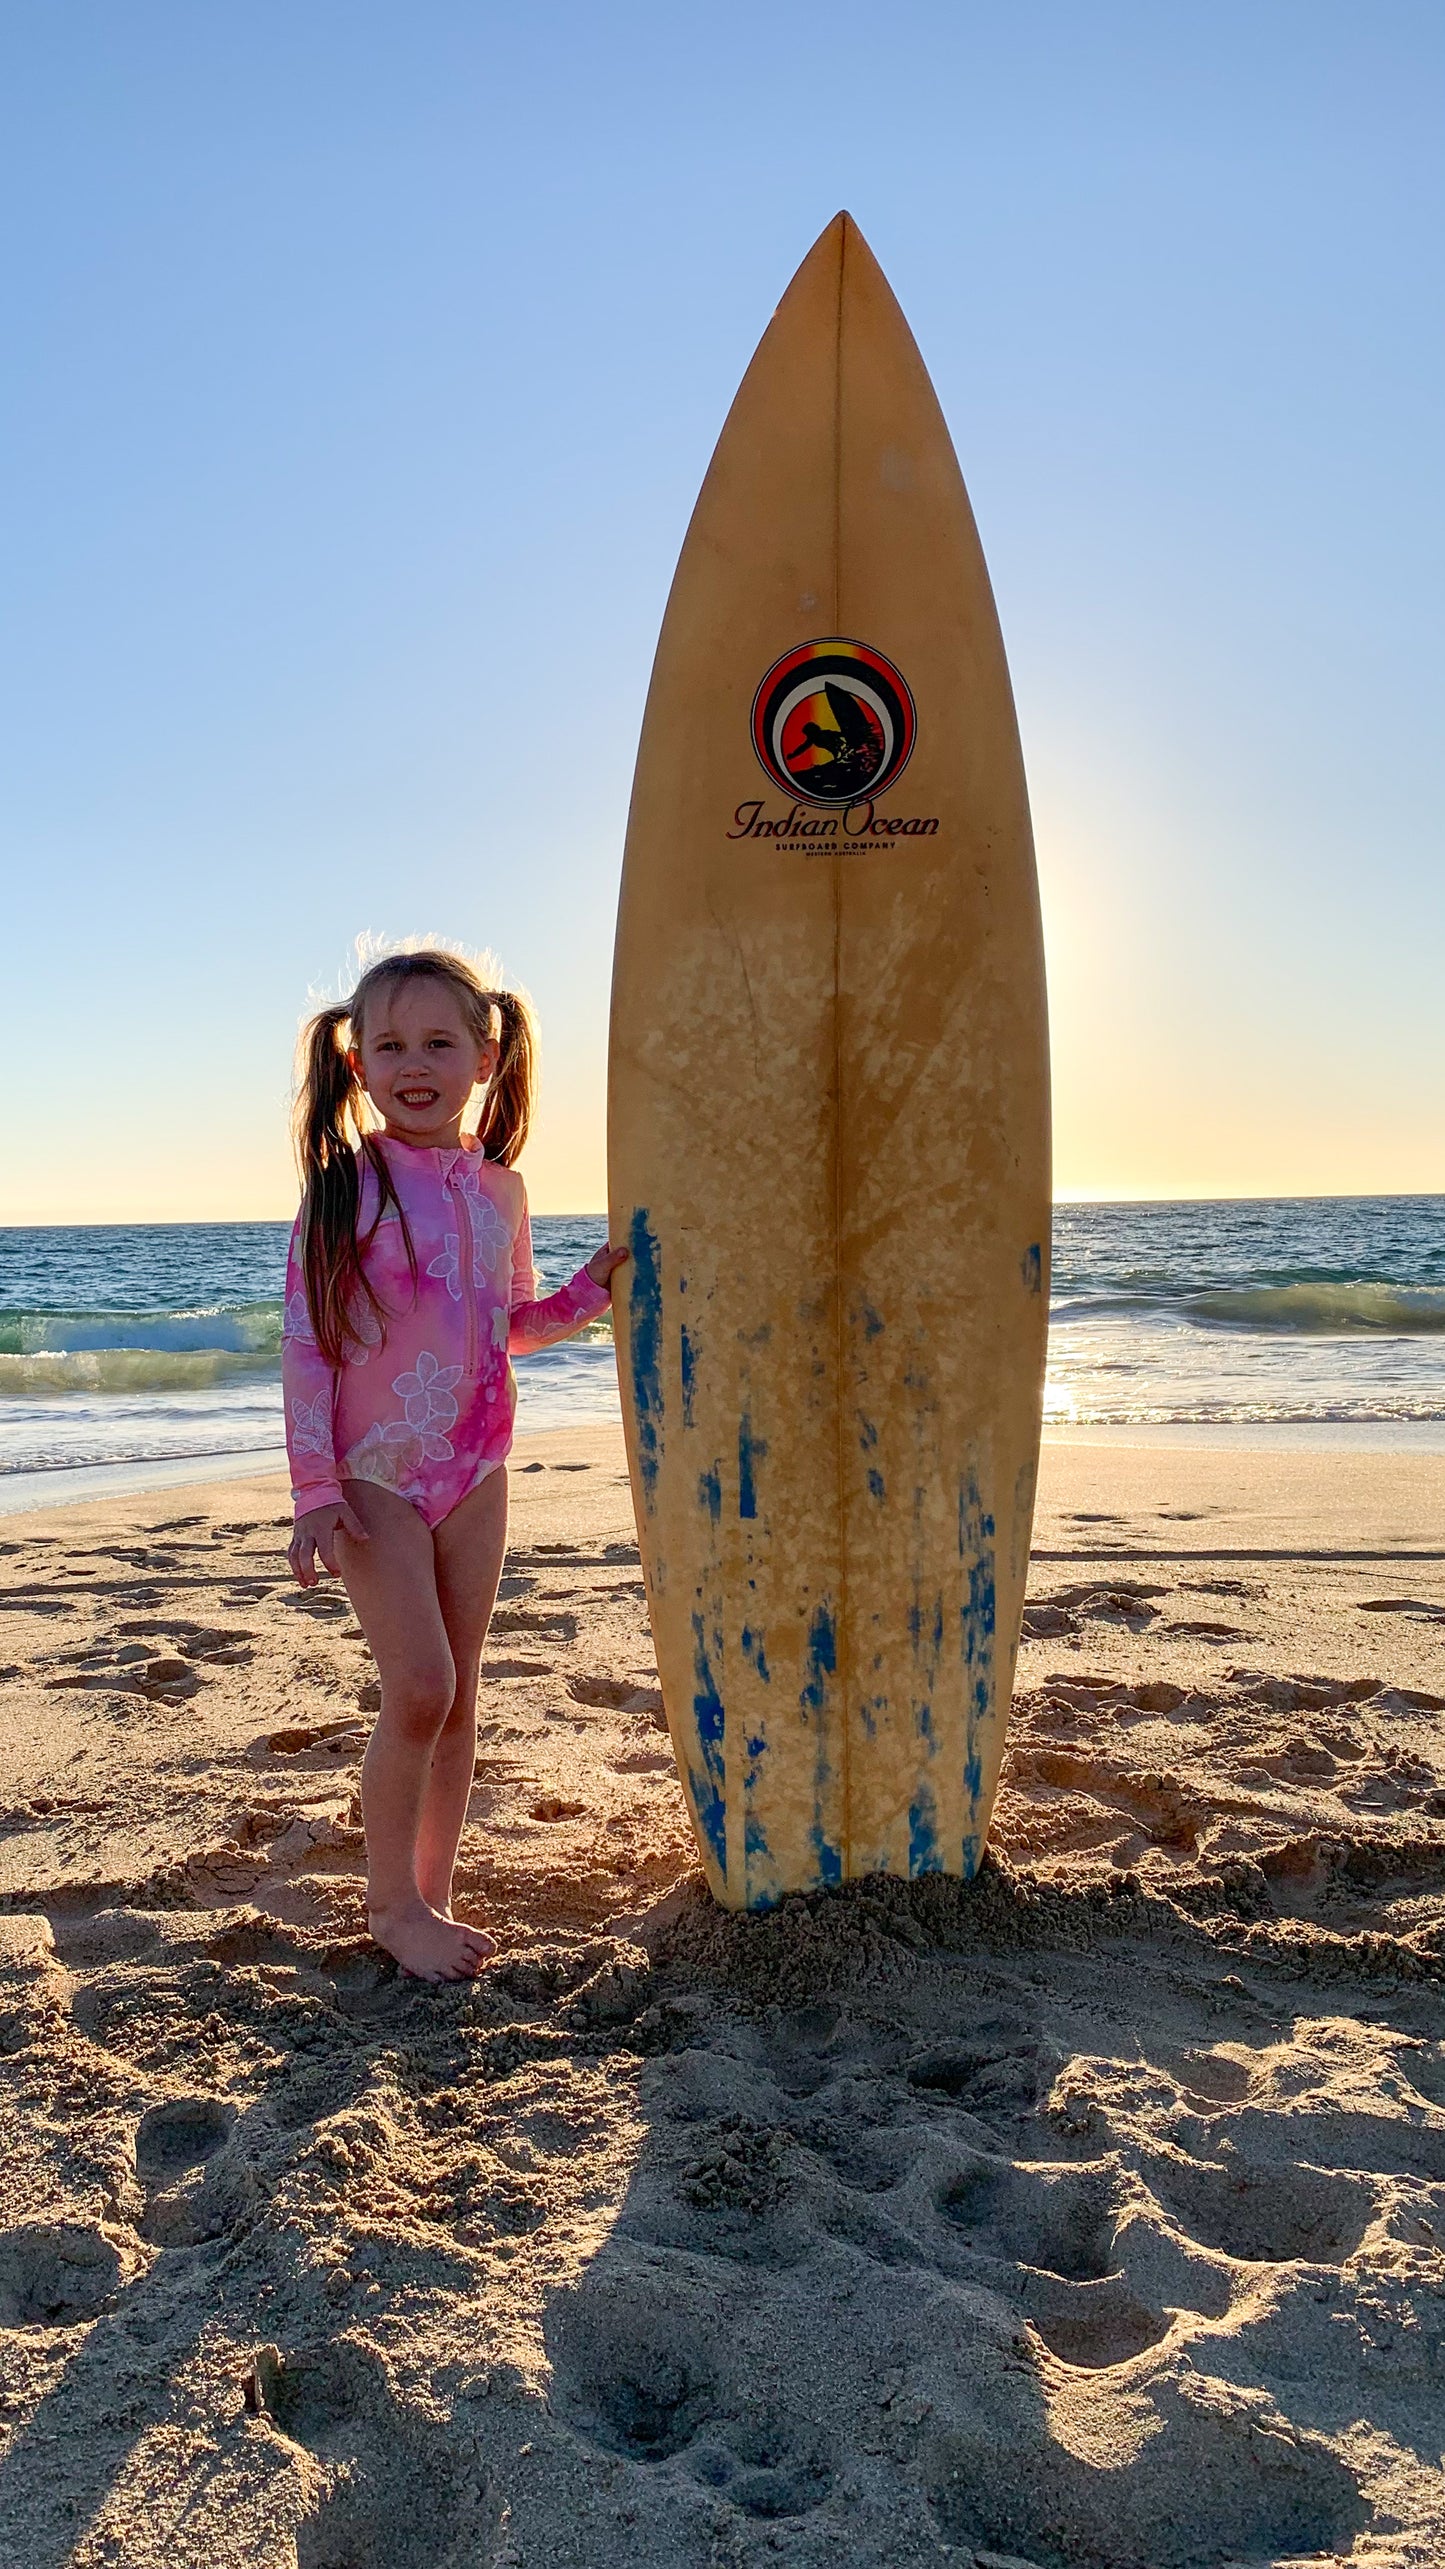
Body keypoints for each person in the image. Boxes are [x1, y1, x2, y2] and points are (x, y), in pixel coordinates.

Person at [282, 945, 626, 1982]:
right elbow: (306, 1342)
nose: (413, 1061)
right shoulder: (345, 1192)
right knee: (419, 1687)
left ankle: (432, 1891)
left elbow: (500, 1325)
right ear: (356, 1063)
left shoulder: (500, 1191)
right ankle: (392, 1906)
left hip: (476, 1467)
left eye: (438, 1041)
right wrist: (314, 1491)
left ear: (484, 1056)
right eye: (389, 1043)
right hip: (376, 1475)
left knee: (461, 1694)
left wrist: (583, 1294)